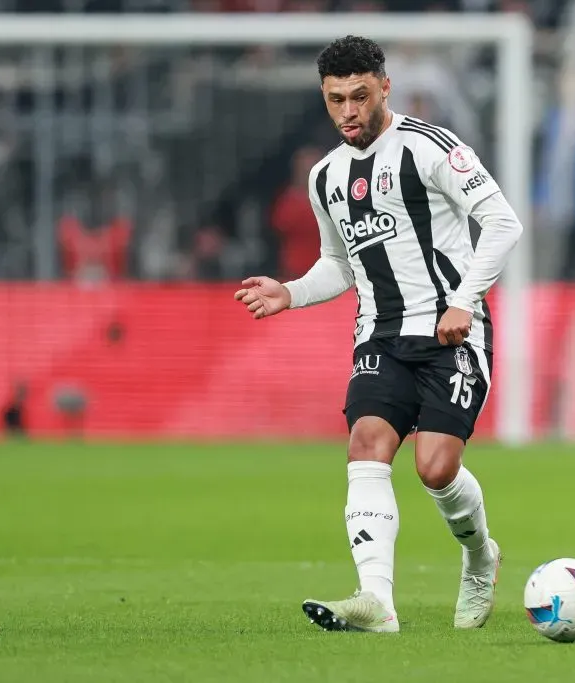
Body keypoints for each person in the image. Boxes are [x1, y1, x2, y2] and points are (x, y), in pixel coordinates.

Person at [233, 35, 524, 633]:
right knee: (366, 443)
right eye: (335, 99)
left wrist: (465, 301)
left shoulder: (430, 148)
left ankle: (479, 555)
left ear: (385, 88)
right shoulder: (325, 177)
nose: (347, 112)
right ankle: (376, 601)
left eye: (359, 96)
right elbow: (339, 263)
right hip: (380, 338)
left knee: (435, 469)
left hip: (451, 333)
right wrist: (290, 292)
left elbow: (502, 223)